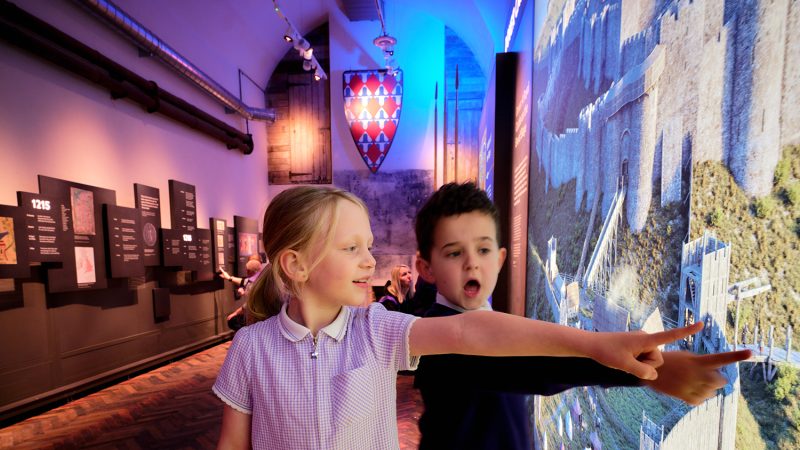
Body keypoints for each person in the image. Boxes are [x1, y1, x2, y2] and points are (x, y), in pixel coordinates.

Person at [212, 185, 715, 450]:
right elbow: (233, 443)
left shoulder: (378, 329)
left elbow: (469, 329)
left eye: (368, 244)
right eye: (351, 248)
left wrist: (594, 345)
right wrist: (599, 355)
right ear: (295, 264)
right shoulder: (252, 350)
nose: (371, 259)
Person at [411, 182, 753, 449]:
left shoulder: (490, 323)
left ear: (500, 259)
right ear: (426, 268)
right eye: (454, 253)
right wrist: (642, 371)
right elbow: (534, 366)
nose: (472, 262)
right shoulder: (436, 338)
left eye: (483, 249)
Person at [219, 256, 264, 330]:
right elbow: (243, 281)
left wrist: (235, 313)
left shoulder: (257, 284)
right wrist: (229, 278)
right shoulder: (257, 279)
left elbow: (249, 305)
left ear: (249, 271)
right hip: (255, 313)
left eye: (248, 270)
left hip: (258, 316)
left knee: (233, 321)